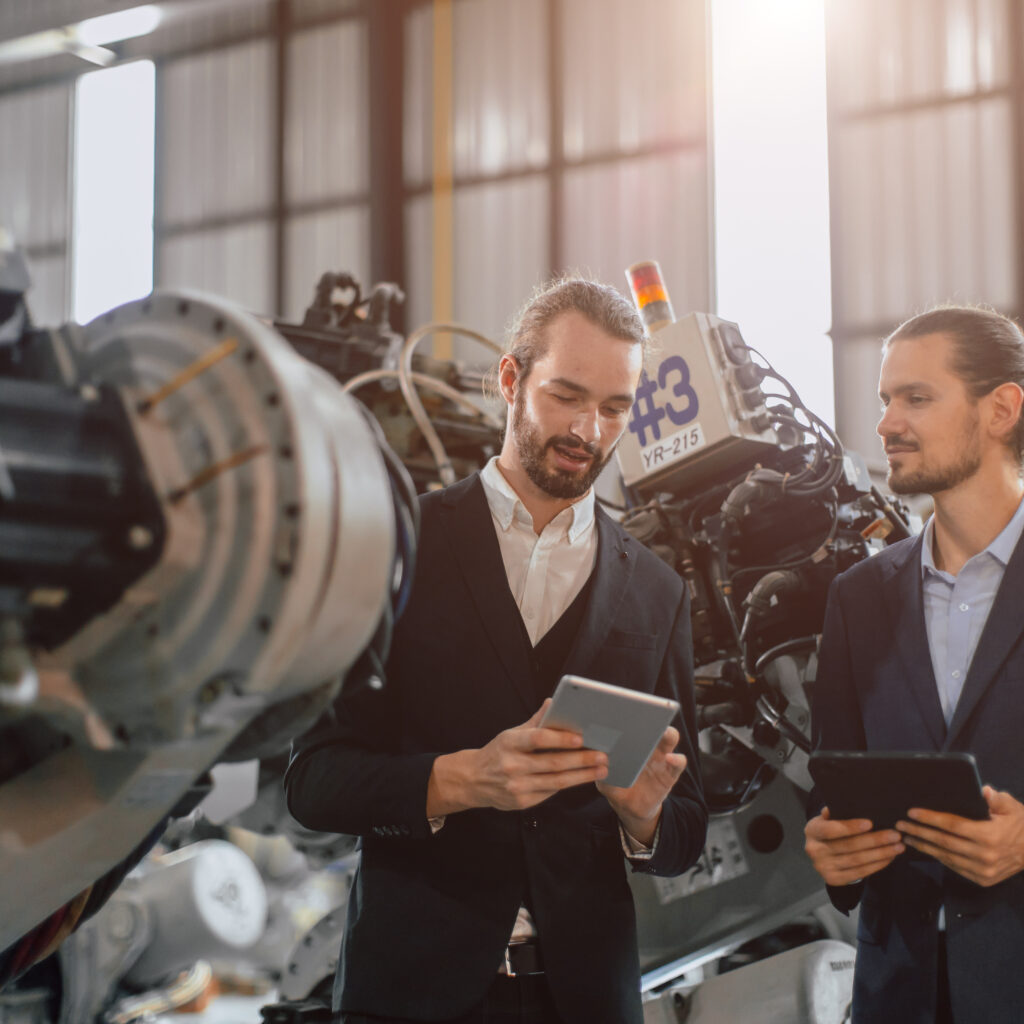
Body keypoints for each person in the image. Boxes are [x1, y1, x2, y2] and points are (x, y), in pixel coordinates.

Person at [285, 277, 708, 1024]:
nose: (590, 430)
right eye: (566, 396)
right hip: (412, 995)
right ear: (510, 379)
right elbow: (313, 782)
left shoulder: (657, 591)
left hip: (585, 1001)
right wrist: (461, 780)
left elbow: (685, 833)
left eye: (615, 408)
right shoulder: (397, 548)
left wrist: (644, 818)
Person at [804, 305, 1024, 1024]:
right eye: (885, 400)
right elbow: (832, 784)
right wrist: (831, 850)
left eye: (917, 398)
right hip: (898, 996)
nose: (888, 423)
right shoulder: (857, 599)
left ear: (1001, 409)